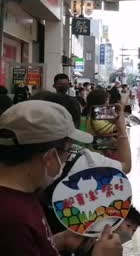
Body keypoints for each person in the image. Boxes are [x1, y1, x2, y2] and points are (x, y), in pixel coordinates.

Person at [0, 101, 123, 255]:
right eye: (68, 151)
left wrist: (58, 240)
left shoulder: (23, 197)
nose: (67, 159)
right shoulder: (14, 220)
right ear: (50, 157)